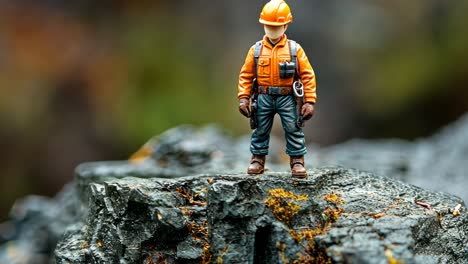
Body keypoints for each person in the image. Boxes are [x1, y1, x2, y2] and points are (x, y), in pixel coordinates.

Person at [237, 0, 317, 179]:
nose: (272, 30)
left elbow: (307, 76)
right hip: (263, 96)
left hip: (287, 97)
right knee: (260, 129)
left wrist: (309, 101)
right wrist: (244, 98)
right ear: (264, 25)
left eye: (277, 26)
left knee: (293, 127)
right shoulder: (256, 50)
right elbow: (246, 75)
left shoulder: (294, 50)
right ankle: (257, 159)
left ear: (286, 25)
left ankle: (297, 161)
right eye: (269, 26)